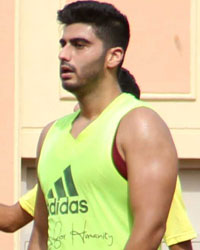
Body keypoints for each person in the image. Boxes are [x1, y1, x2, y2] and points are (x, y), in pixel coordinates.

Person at [27, 1, 182, 249]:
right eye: (63, 44)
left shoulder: (138, 124)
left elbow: (150, 231)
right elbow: (39, 234)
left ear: (113, 56)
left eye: (79, 45)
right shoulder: (50, 134)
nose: (64, 54)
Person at [0, 65, 196, 248]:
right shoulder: (62, 165)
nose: (78, 110)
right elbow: (12, 219)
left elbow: (178, 242)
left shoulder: (151, 171)